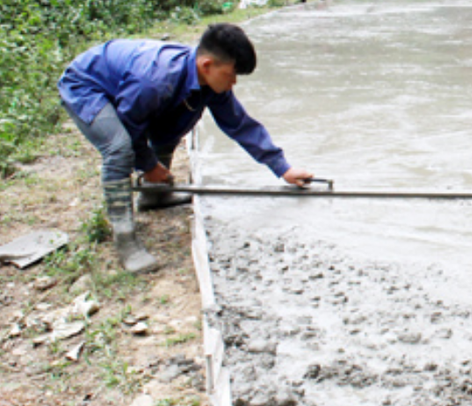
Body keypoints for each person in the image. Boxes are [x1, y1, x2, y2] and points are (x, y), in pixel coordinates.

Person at [59, 24, 314, 273]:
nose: (233, 82)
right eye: (231, 75)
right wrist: (148, 165)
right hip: (87, 86)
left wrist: (283, 168)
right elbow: (129, 125)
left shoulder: (208, 80)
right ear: (207, 65)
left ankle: (154, 195)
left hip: (128, 90)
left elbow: (240, 125)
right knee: (119, 148)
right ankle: (125, 240)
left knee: (181, 117)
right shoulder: (155, 80)